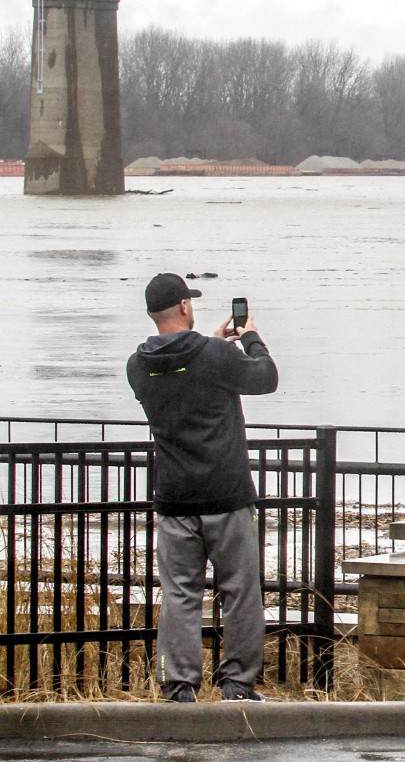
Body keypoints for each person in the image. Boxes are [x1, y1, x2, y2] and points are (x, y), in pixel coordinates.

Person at [125, 273, 278, 703]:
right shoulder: (214, 356)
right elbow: (265, 377)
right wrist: (250, 338)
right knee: (240, 591)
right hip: (226, 492)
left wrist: (212, 343)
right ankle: (237, 684)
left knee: (179, 594)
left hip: (173, 496)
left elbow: (184, 373)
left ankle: (180, 685)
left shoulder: (137, 365)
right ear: (185, 306)